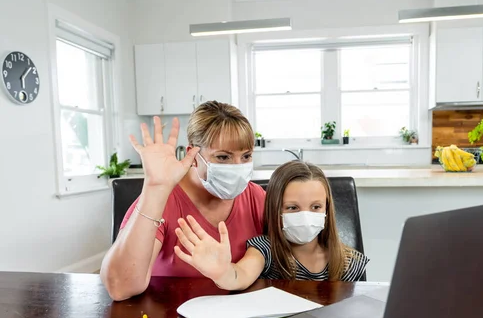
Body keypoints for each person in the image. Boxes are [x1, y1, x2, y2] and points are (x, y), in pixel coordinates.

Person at [100, 101, 266, 301]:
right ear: (194, 155)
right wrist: (155, 188)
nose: (237, 167)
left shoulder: (256, 197)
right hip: (170, 317)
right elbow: (120, 287)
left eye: (246, 156)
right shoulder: (164, 199)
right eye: (223, 157)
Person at [174, 161, 369, 290]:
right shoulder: (264, 249)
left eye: (316, 207)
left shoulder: (349, 262)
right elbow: (240, 275)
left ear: (327, 210)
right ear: (275, 210)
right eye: (292, 208)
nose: (305, 216)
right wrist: (222, 271)